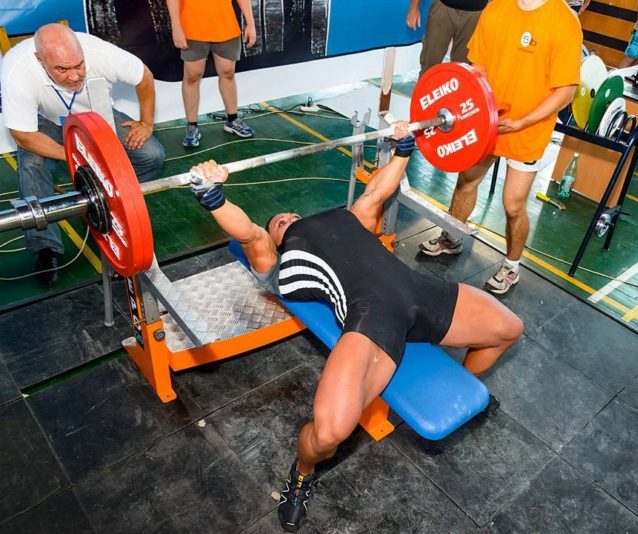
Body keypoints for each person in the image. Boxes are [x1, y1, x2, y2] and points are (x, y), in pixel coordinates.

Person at [188, 124, 523, 533]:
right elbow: (248, 232)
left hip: (422, 293)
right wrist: (212, 195)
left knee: (509, 328)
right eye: (278, 222)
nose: (286, 218)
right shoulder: (279, 261)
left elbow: (376, 192)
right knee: (328, 433)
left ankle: (461, 387)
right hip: (371, 321)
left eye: (290, 215)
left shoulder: (345, 218)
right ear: (275, 239)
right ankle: (302, 473)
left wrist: (404, 147)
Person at [419, 0, 582, 294]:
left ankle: (511, 266)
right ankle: (451, 237)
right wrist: (481, 110)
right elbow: (478, 65)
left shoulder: (564, 21)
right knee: (466, 181)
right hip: (488, 121)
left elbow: (566, 91)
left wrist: (522, 122)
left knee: (513, 204)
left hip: (529, 127)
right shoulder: (495, 9)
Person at [0, 23, 165, 286]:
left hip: (95, 117)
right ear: (40, 60)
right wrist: (75, 156)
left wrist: (146, 123)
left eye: (79, 65)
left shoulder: (99, 52)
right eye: (62, 70)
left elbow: (143, 76)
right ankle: (45, 247)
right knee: (32, 166)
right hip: (45, 122)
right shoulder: (17, 69)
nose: (75, 76)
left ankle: (109, 205)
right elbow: (23, 135)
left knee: (151, 154)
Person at [166, 0, 257, 147]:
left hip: (226, 26)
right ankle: (192, 126)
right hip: (192, 27)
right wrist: (176, 26)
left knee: (227, 73)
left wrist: (251, 23)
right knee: (192, 76)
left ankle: (232, 120)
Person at [406, 0, 487, 75]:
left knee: (463, 71)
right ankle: (425, 86)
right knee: (429, 62)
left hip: (475, 12)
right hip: (443, 8)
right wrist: (413, 7)